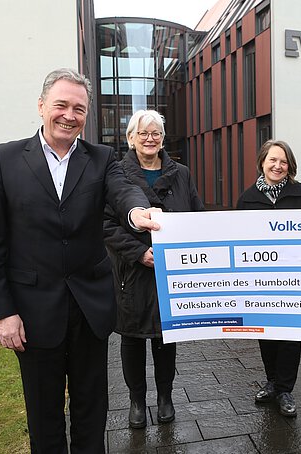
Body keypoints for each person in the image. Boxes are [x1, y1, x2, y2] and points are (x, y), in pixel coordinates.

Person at [0, 68, 159, 452]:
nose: (69, 115)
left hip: (90, 307)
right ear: (42, 106)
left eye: (79, 108)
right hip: (32, 311)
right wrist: (2, 312)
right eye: (61, 105)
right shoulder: (4, 160)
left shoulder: (102, 158)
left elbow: (123, 190)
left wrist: (137, 212)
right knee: (44, 413)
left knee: (92, 408)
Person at [103, 109, 204, 429]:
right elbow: (105, 224)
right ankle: (136, 401)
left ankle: (165, 397)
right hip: (133, 273)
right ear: (130, 138)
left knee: (166, 338)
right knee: (132, 340)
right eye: (142, 133)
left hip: (172, 274)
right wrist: (139, 252)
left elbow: (196, 217)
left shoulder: (182, 173)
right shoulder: (116, 174)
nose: (150, 138)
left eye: (156, 133)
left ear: (163, 138)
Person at [236, 140, 301, 417]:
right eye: (272, 160)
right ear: (262, 162)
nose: (277, 165)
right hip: (260, 281)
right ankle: (272, 381)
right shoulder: (247, 199)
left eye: (283, 161)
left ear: (290, 165)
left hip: (295, 281)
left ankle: (285, 388)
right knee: (265, 333)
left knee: (289, 335)